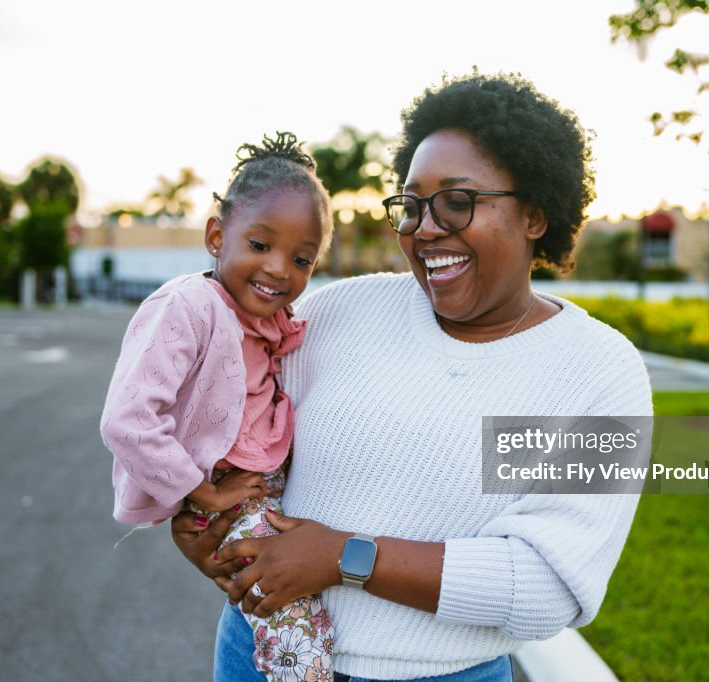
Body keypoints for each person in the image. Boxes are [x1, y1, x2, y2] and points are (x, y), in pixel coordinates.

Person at [173, 73, 653, 682]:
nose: (425, 228)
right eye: (411, 205)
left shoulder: (598, 373)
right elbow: (229, 434)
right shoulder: (333, 314)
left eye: (457, 201)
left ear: (535, 214)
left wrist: (347, 558)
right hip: (259, 656)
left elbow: (547, 586)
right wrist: (203, 527)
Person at [99, 132, 337, 680]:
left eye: (301, 258)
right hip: (222, 486)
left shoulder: (265, 317)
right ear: (215, 235)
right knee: (291, 612)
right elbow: (127, 419)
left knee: (288, 593)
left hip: (260, 481)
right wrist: (200, 491)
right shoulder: (187, 306)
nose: (279, 268)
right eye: (260, 245)